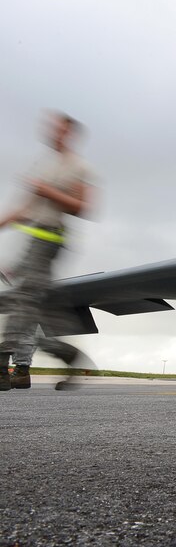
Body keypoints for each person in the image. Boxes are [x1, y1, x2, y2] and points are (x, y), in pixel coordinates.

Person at [0, 111, 95, 391]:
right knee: (37, 306)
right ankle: (69, 356)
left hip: (50, 240)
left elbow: (83, 207)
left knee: (24, 301)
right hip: (32, 243)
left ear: (71, 134)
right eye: (52, 128)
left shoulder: (77, 167)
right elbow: (25, 210)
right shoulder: (45, 165)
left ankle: (4, 366)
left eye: (60, 129)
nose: (54, 132)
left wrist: (47, 191)